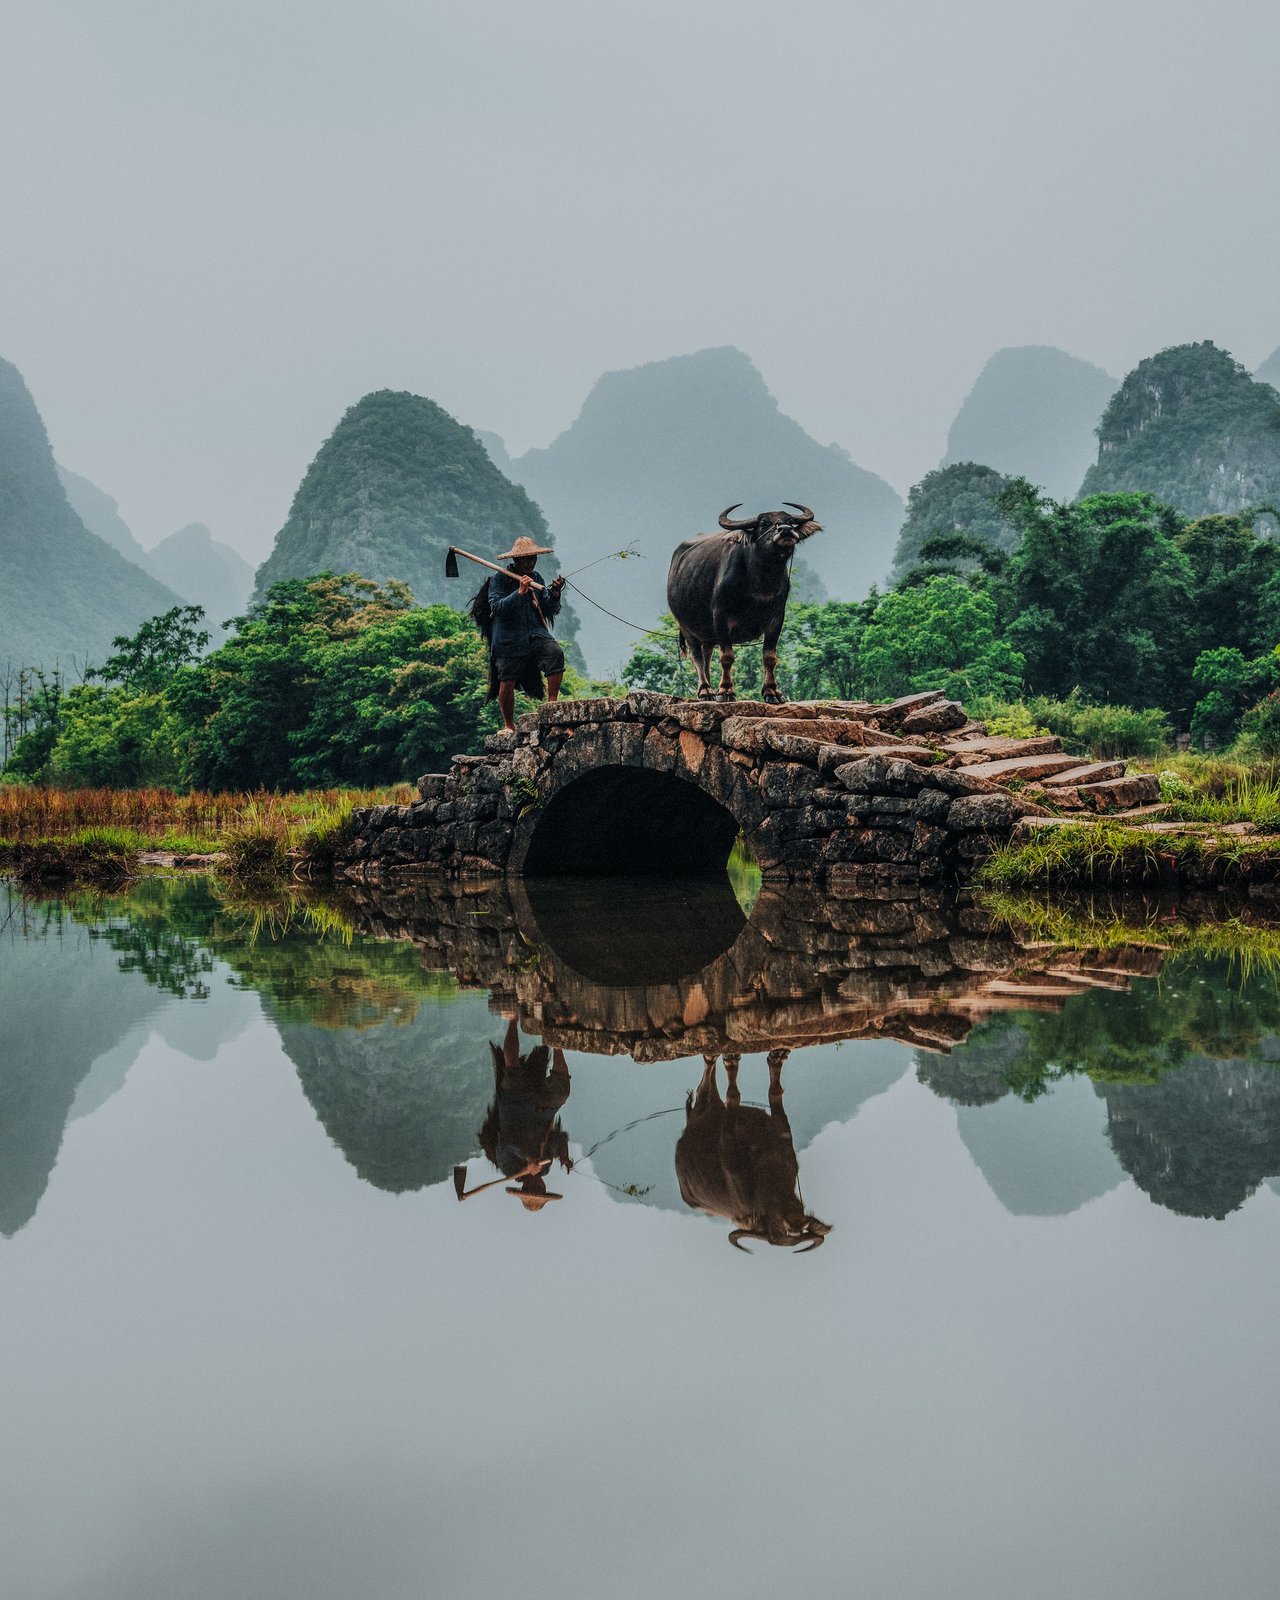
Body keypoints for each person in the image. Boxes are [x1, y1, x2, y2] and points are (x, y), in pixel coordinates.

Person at [453, 1018, 573, 1213]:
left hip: (516, 1109)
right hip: (542, 1113)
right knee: (562, 1092)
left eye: (532, 1189)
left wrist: (528, 1157)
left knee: (512, 1070)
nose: (536, 1186)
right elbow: (559, 1138)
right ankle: (556, 1037)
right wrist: (563, 1154)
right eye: (540, 1189)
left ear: (525, 1187)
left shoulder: (509, 1168)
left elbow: (507, 1143)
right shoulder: (546, 1167)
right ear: (544, 1187)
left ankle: (512, 1020)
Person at [485, 535, 566, 732]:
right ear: (516, 560)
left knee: (555, 653)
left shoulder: (537, 578)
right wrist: (519, 593)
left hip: (535, 634)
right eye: (526, 559)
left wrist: (555, 594)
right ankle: (509, 725)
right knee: (506, 679)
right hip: (509, 638)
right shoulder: (500, 579)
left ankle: (551, 705)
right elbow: (497, 607)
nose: (531, 563)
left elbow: (547, 608)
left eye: (533, 558)